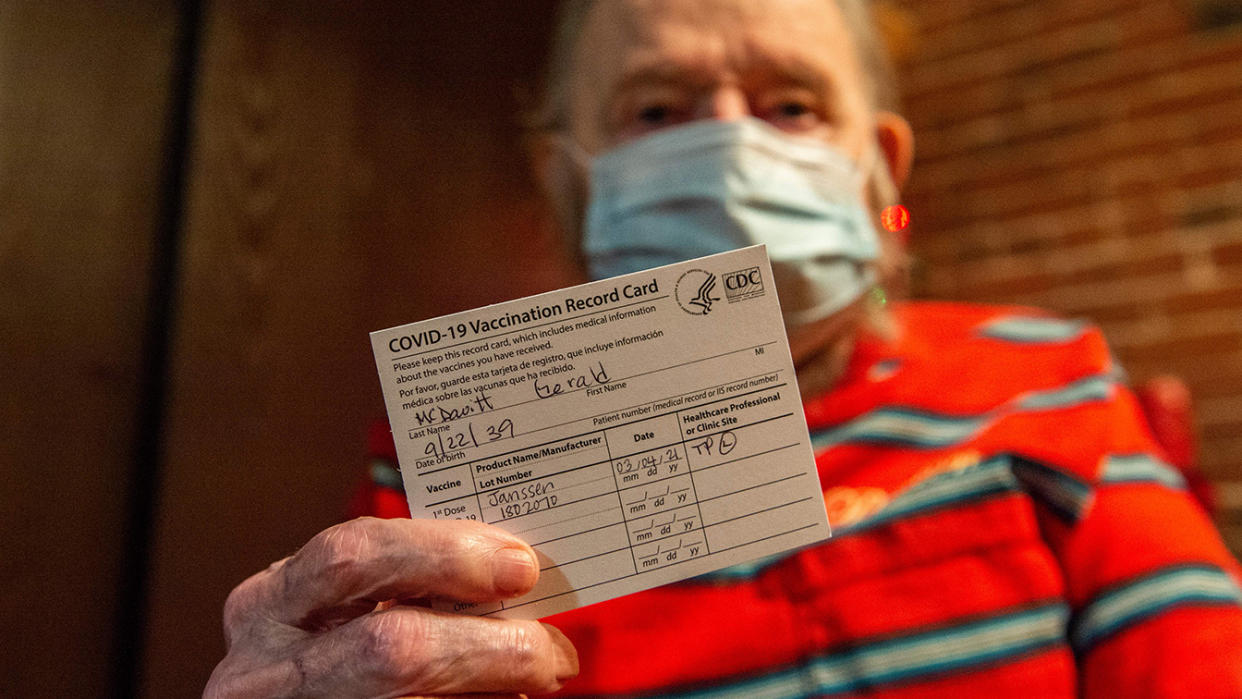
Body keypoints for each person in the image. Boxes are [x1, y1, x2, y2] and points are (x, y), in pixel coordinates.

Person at [206, 1, 1242, 697]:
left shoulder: (1048, 378)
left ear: (876, 168)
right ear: (567, 179)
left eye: (791, 105)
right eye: (658, 110)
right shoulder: (448, 472)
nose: (730, 145)